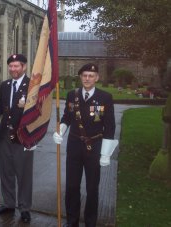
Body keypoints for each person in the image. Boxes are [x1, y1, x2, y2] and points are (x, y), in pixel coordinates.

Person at [53, 63, 117, 227]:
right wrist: (61, 129)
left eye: (91, 76)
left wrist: (106, 153)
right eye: (84, 75)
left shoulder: (105, 98)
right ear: (80, 77)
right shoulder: (71, 95)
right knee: (72, 186)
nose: (87, 78)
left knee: (92, 188)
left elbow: (109, 126)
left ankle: (90, 222)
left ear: (97, 78)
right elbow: (67, 117)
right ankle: (72, 221)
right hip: (74, 145)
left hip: (94, 146)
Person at [0, 54, 35, 223]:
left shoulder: (32, 85)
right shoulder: (5, 85)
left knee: (23, 174)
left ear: (24, 67)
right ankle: (9, 203)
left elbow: (36, 113)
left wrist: (33, 139)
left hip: (23, 137)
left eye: (17, 66)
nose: (13, 69)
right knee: (6, 172)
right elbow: (0, 108)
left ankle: (24, 207)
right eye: (11, 66)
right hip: (5, 136)